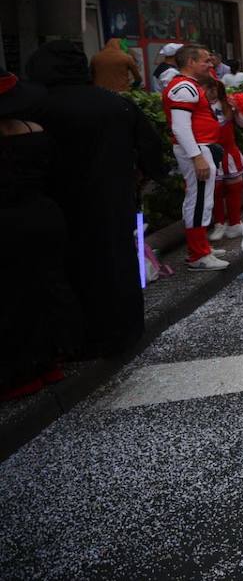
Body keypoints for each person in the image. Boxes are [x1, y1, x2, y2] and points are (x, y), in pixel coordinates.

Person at [25, 41, 163, 357]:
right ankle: (124, 331)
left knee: (71, 269)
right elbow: (151, 149)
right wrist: (144, 174)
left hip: (61, 202)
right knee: (117, 263)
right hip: (113, 199)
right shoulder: (117, 104)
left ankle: (80, 339)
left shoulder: (38, 108)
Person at [0, 70, 77, 399]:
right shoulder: (35, 131)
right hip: (44, 215)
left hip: (7, 222)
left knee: (11, 295)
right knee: (48, 285)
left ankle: (20, 374)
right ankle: (50, 361)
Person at [162, 45, 230, 271]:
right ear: (190, 62)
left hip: (201, 148)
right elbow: (180, 128)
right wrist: (197, 157)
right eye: (205, 61)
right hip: (198, 149)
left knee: (200, 200)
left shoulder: (187, 86)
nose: (210, 65)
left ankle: (200, 249)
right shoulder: (183, 87)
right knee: (199, 201)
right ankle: (198, 254)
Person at [207, 79, 243, 241]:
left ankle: (235, 223)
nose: (212, 91)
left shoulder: (228, 103)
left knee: (235, 187)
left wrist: (240, 109)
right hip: (210, 153)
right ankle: (219, 223)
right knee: (216, 190)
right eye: (208, 87)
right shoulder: (198, 106)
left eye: (215, 87)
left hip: (229, 151)